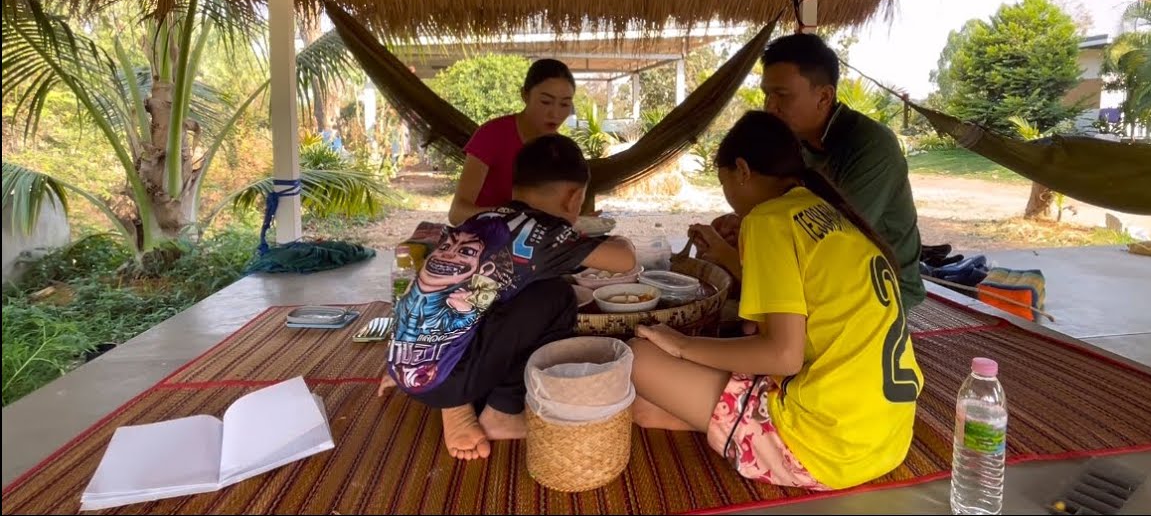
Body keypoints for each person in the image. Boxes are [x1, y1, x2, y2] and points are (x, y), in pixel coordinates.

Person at [629, 111, 922, 491]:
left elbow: (783, 355)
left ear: (742, 170)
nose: (728, 197)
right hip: (885, 438)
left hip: (823, 445)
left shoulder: (768, 220)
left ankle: (750, 434)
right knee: (645, 409)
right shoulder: (828, 215)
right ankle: (728, 422)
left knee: (636, 355)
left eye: (724, 182)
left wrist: (684, 346)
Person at [380, 134, 636, 461]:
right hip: (447, 379)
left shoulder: (481, 221)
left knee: (495, 291)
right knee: (556, 295)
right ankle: (501, 410)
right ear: (575, 198)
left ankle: (454, 402)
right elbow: (625, 260)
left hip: (406, 363)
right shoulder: (546, 233)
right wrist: (613, 236)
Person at [697, 33, 925, 312]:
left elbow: (825, 246)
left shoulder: (871, 147)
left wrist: (730, 254)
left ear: (824, 96)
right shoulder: (797, 144)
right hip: (826, 282)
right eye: (767, 94)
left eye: (782, 95)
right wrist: (741, 225)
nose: (770, 106)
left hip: (883, 291)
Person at [449, 59, 577, 226]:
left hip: (533, 242)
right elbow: (457, 213)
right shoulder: (492, 135)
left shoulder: (560, 150)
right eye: (546, 102)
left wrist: (575, 218)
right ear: (525, 95)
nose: (556, 114)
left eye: (565, 104)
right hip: (484, 239)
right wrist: (512, 216)